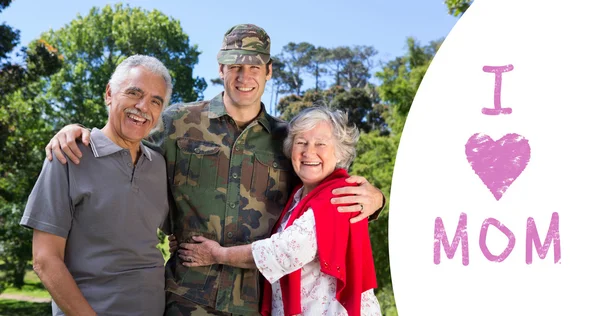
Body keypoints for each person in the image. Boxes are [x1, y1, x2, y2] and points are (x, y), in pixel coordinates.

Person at [44, 24, 384, 315]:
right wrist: (76, 131)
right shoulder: (178, 121)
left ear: (269, 71)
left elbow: (320, 193)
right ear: (221, 68)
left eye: (254, 67)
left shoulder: (289, 139)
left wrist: (377, 200)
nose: (244, 76)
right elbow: (128, 133)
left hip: (257, 301)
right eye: (234, 66)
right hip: (185, 297)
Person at [177, 106, 381, 316]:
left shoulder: (338, 196)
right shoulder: (299, 195)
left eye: (321, 144)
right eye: (301, 142)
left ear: (340, 152)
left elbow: (285, 252)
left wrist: (218, 254)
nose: (309, 152)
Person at [20, 55, 173, 316]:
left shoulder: (159, 164)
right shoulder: (68, 155)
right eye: (134, 93)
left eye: (155, 101)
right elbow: (45, 260)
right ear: (109, 94)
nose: (143, 106)